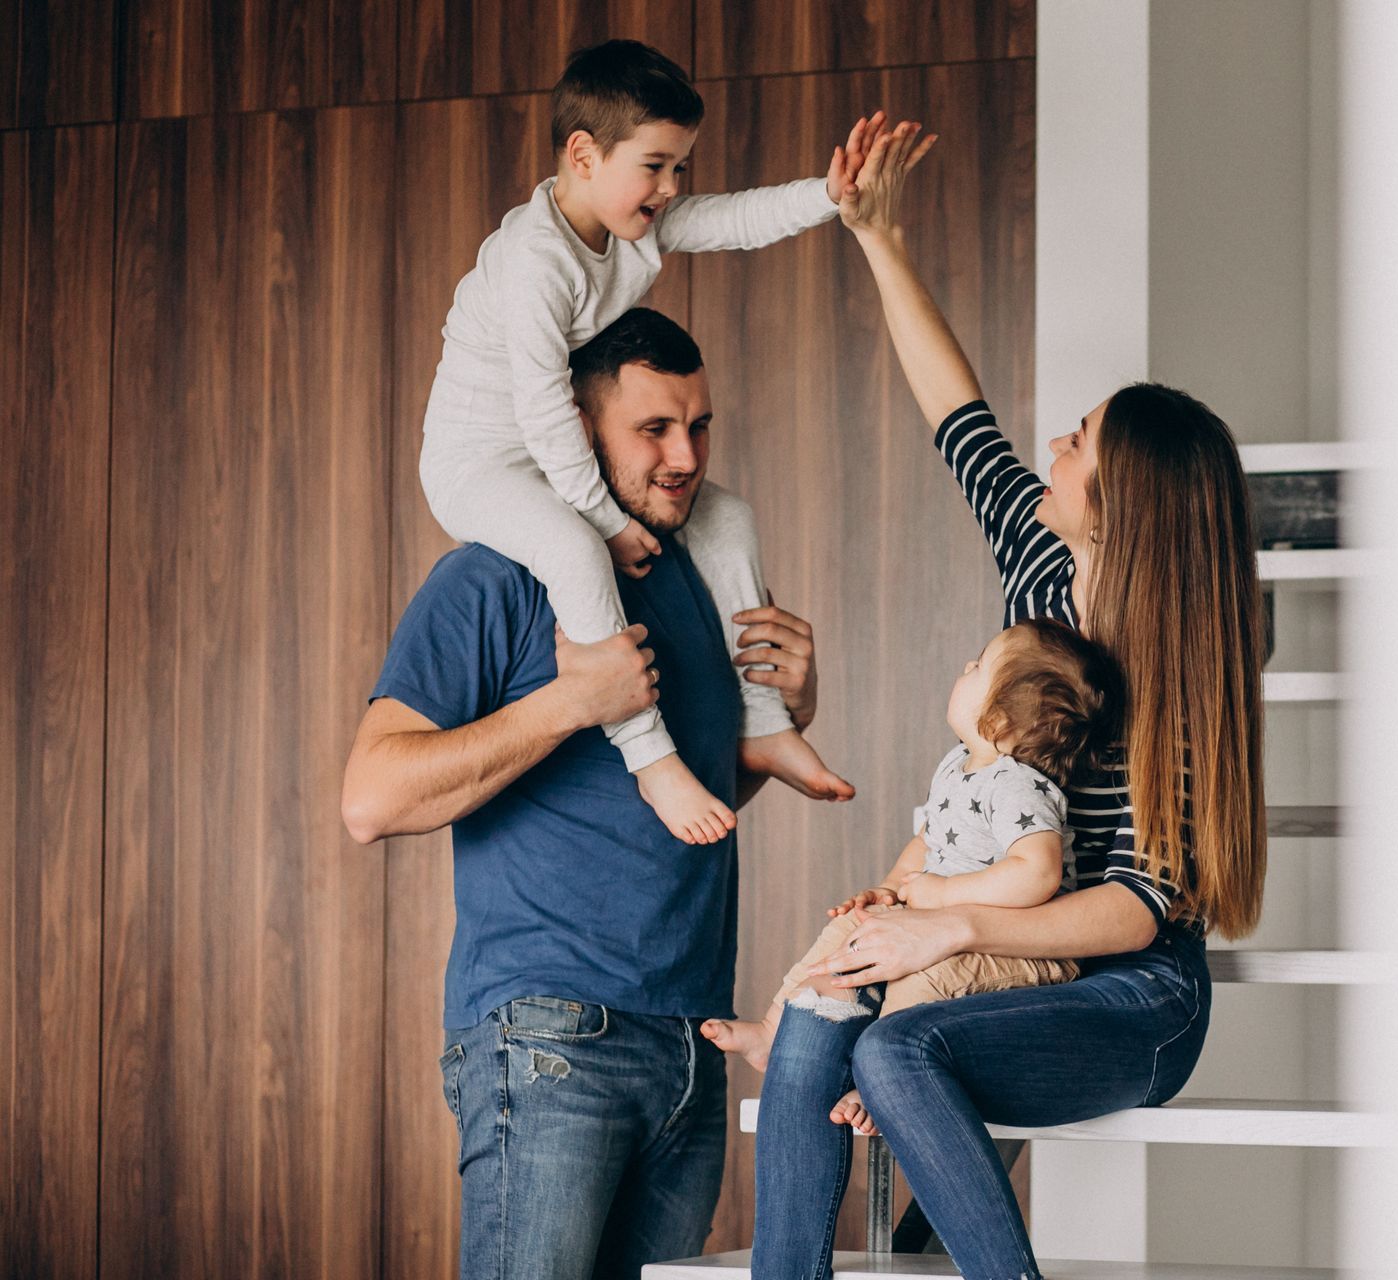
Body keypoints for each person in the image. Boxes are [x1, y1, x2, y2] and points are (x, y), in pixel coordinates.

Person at [747, 126, 1268, 1279]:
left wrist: (951, 922)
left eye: (1082, 439)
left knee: (901, 1053)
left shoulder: (1180, 673)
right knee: (819, 1013)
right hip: (1004, 966)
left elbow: (1138, 908)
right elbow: (959, 416)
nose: (1058, 437)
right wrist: (877, 236)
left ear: (1123, 502)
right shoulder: (1041, 575)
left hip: (1131, 994)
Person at [341, 308, 828, 1277]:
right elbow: (371, 796)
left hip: (691, 1042)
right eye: (653, 429)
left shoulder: (694, 575)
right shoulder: (492, 576)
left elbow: (680, 799)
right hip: (551, 1037)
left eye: (699, 426)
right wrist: (567, 703)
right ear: (578, 424)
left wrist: (785, 722)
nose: (685, 455)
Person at [418, 37, 880, 843]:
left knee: (726, 516)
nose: (670, 190)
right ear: (583, 154)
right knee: (571, 551)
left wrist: (829, 195)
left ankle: (763, 723)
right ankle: (649, 755)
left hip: (551, 447)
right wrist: (606, 521)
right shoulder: (536, 261)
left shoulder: (629, 227)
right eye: (656, 167)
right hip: (482, 462)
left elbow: (736, 219)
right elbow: (542, 409)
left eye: (681, 171)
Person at [700, 619, 1121, 1079]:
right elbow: (929, 841)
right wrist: (890, 890)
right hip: (943, 922)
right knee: (843, 935)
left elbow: (1036, 874)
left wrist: (941, 896)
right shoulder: (957, 765)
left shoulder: (1019, 787)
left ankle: (886, 1084)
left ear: (998, 720)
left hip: (1018, 948)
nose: (966, 664)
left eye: (979, 666)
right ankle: (772, 1029)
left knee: (918, 985)